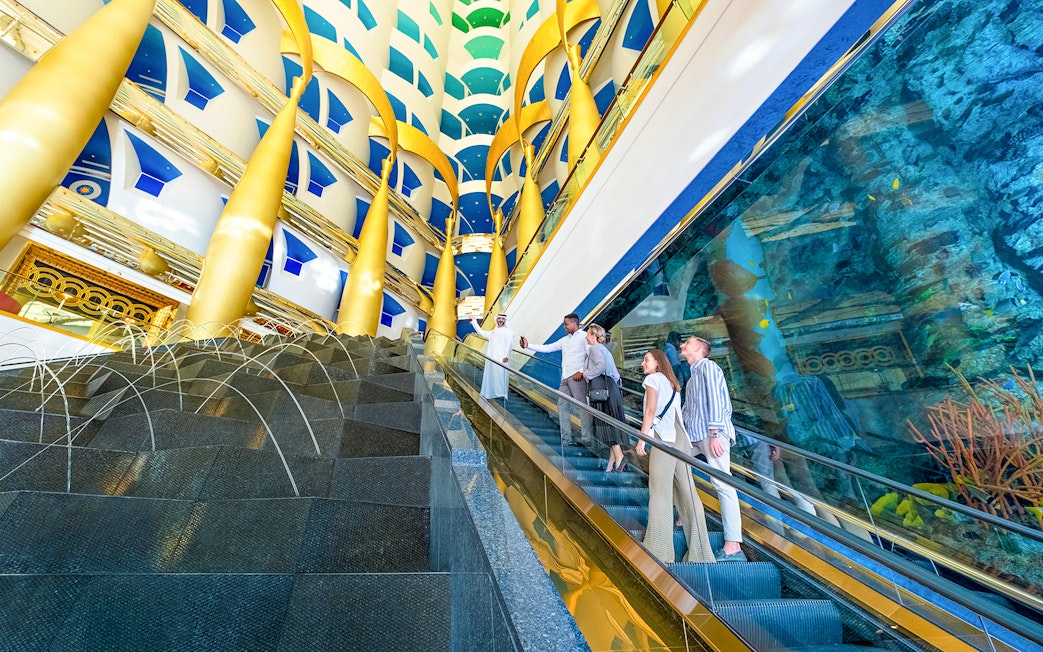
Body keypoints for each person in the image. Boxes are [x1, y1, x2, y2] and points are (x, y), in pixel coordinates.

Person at [635, 349, 716, 564]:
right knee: (688, 492)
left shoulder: (653, 379)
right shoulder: (672, 383)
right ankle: (701, 554)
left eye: (647, 360)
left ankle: (659, 551)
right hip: (680, 437)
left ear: (658, 363)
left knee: (660, 490)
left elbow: (650, 411)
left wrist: (643, 438)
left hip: (665, 437)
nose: (643, 363)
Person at [680, 336, 745, 561]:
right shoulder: (692, 377)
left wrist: (715, 433)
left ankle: (733, 545)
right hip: (696, 437)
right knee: (674, 465)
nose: (682, 346)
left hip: (711, 435)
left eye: (686, 343)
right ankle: (684, 516)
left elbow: (718, 401)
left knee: (722, 483)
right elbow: (688, 411)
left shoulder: (708, 367)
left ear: (698, 348)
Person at [520, 313, 592, 446]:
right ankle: (566, 439)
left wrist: (581, 371)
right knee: (562, 406)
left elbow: (591, 355)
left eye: (566, 324)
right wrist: (528, 345)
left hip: (577, 378)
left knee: (582, 407)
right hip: (565, 378)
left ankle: (586, 438)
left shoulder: (584, 337)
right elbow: (548, 348)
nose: (564, 327)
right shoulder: (564, 340)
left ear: (574, 323)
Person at [583, 323, 627, 472]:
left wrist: (587, 374)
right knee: (610, 424)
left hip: (602, 393)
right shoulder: (604, 349)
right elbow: (615, 374)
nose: (586, 336)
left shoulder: (595, 349)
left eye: (589, 334)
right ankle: (611, 465)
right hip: (611, 390)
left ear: (594, 336)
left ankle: (620, 458)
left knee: (607, 425)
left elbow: (601, 366)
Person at [469, 313, 515, 399]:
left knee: (500, 376)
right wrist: (474, 321)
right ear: (496, 319)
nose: (500, 320)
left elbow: (509, 345)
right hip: (492, 358)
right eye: (499, 318)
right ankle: (491, 393)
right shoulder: (494, 331)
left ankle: (501, 394)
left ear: (506, 320)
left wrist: (506, 356)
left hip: (502, 359)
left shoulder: (509, 331)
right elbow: (481, 332)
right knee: (491, 376)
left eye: (503, 319)